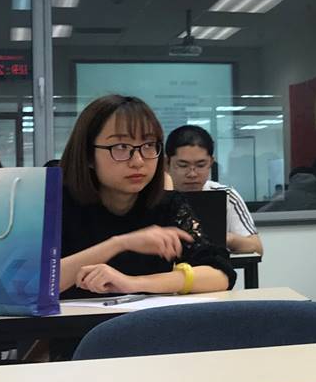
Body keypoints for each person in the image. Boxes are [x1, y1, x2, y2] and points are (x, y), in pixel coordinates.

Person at [58, 94, 235, 297]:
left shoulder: (168, 204)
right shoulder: (57, 204)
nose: (138, 161)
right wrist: (119, 244)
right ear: (88, 155)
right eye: (121, 147)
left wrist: (133, 283)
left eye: (149, 145)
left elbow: (220, 274)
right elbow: (32, 283)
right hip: (71, 318)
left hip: (144, 317)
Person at [164, 124, 264, 255]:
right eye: (183, 165)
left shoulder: (226, 195)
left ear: (211, 163)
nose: (192, 174)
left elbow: (257, 247)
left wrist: (224, 238)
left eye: (201, 165)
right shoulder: (153, 196)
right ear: (167, 164)